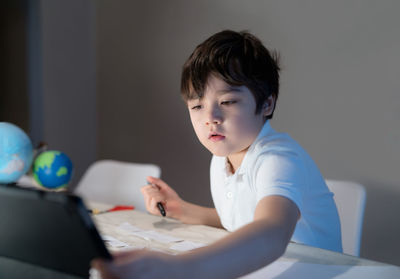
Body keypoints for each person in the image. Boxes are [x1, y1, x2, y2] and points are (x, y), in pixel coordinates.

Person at [92, 30, 342, 279]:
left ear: (267, 104)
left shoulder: (277, 159)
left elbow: (271, 232)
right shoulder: (222, 158)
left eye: (228, 101)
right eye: (198, 106)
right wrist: (180, 209)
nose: (210, 118)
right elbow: (241, 222)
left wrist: (177, 268)